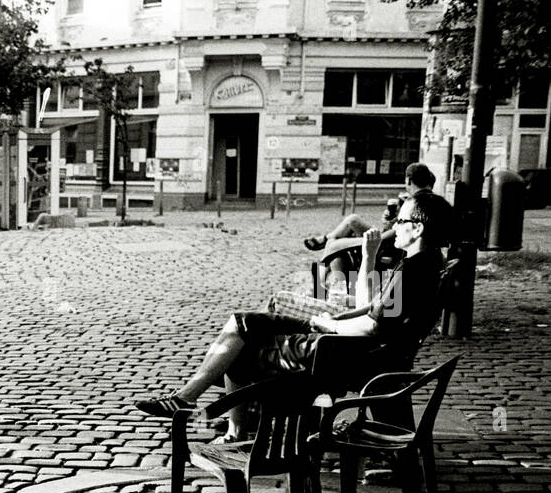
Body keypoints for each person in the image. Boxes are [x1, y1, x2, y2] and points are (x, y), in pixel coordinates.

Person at [135, 192, 450, 441]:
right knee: (242, 325)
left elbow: (369, 328)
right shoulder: (423, 264)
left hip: (344, 351)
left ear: (417, 227)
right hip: (358, 348)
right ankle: (197, 404)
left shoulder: (411, 271)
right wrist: (367, 258)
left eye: (400, 219)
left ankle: (212, 415)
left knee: (243, 338)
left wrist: (327, 322)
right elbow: (372, 310)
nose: (392, 224)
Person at [304, 162, 438, 253]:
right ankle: (330, 283)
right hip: (388, 239)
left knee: (334, 244)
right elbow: (399, 226)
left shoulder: (416, 203)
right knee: (352, 220)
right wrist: (390, 220)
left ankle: (324, 286)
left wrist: (373, 237)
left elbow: (397, 232)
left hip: (387, 244)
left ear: (409, 181)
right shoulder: (426, 202)